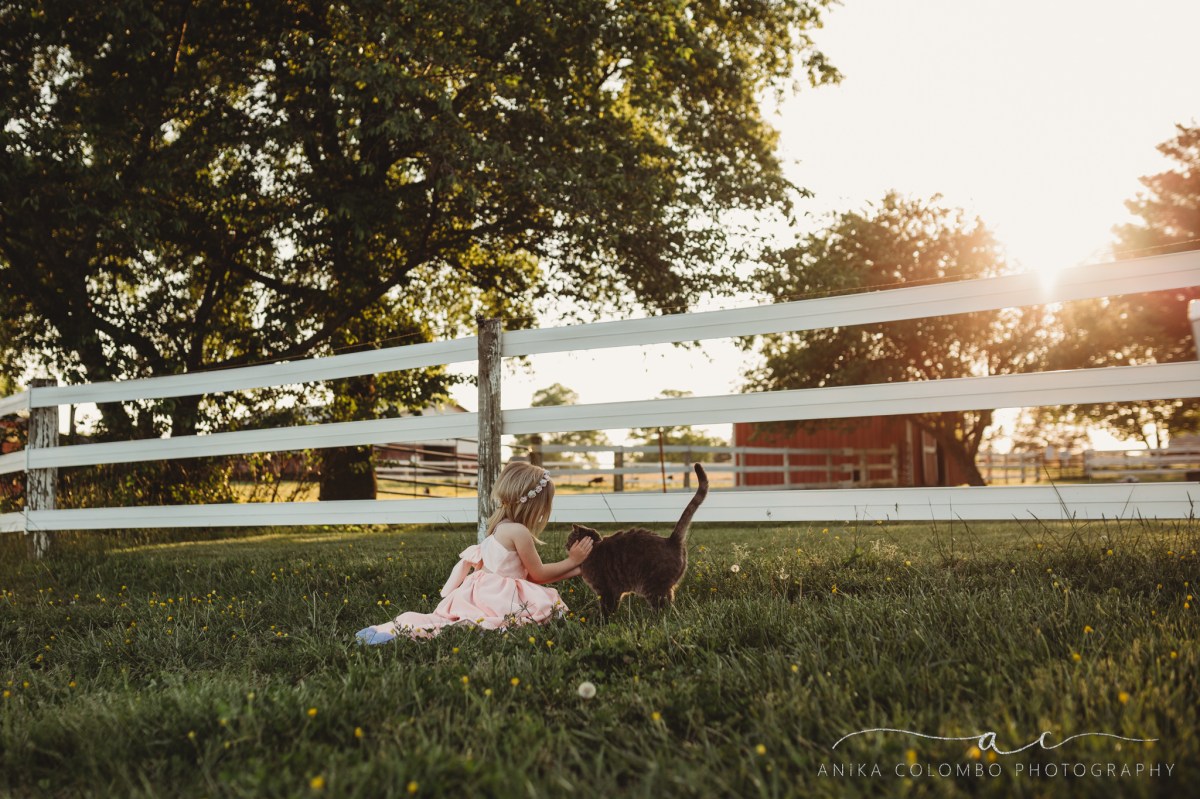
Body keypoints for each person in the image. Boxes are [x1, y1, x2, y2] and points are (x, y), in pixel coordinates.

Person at [355, 462, 592, 644]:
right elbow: (538, 575)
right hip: (497, 596)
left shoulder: (500, 527)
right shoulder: (519, 532)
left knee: (445, 620)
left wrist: (579, 569)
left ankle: (390, 628)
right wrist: (573, 560)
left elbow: (529, 576)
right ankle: (408, 633)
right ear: (536, 506)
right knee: (480, 624)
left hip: (480, 590)